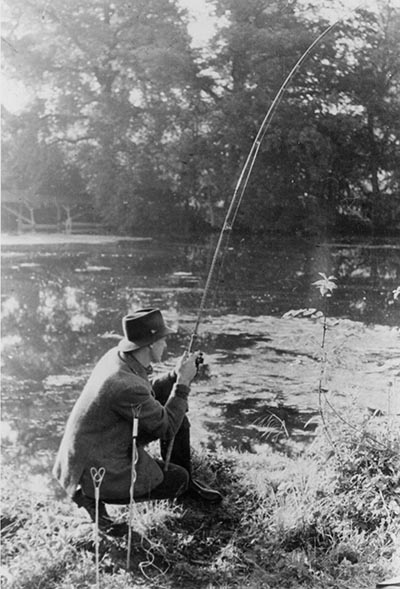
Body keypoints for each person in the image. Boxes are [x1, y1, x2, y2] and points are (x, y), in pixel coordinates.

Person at [53, 308, 222, 534]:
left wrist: (174, 375)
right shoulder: (124, 385)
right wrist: (182, 383)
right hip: (96, 465)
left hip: (96, 446)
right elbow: (166, 428)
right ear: (150, 344)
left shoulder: (118, 358)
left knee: (175, 411)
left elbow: (146, 391)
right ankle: (90, 496)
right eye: (162, 340)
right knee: (176, 478)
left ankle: (187, 486)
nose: (165, 345)